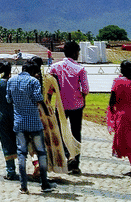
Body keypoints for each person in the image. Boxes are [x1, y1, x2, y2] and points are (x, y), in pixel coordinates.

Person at [7, 59, 55, 194]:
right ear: (32, 71)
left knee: (21, 153)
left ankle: (23, 186)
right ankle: (44, 184)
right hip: (34, 123)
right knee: (41, 152)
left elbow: (8, 99)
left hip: (19, 123)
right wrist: (46, 112)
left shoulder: (11, 81)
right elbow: (38, 98)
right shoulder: (33, 81)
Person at [49, 41, 90, 174]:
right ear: (74, 52)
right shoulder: (80, 69)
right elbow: (85, 89)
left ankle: (66, 155)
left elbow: (50, 87)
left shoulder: (54, 67)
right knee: (76, 132)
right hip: (77, 105)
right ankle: (75, 161)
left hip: (60, 105)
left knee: (60, 131)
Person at [0, 61, 18, 181]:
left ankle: (11, 171)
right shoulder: (14, 82)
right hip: (14, 115)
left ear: (0, 70)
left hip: (1, 116)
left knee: (6, 142)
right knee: (17, 141)